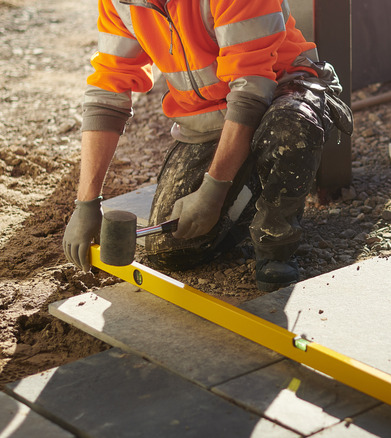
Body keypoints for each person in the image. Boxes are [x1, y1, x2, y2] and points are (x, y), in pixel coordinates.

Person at [62, 0, 352, 291]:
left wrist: (214, 189)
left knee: (289, 127)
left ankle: (276, 241)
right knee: (171, 250)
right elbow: (108, 91)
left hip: (282, 89)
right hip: (211, 117)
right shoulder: (119, 3)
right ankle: (253, 178)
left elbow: (251, 90)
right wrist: (87, 202)